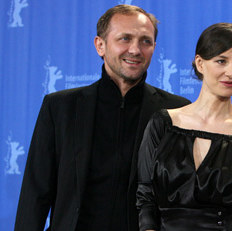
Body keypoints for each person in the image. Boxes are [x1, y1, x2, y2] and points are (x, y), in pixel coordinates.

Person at [15, 4, 190, 231]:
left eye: (145, 41)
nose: (135, 50)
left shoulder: (176, 111)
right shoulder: (60, 107)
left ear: (154, 47)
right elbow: (35, 193)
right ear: (100, 45)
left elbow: (185, 198)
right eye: (125, 39)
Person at [136, 23, 232, 231]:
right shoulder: (163, 124)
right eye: (221, 61)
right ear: (200, 63)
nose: (231, 72)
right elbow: (146, 197)